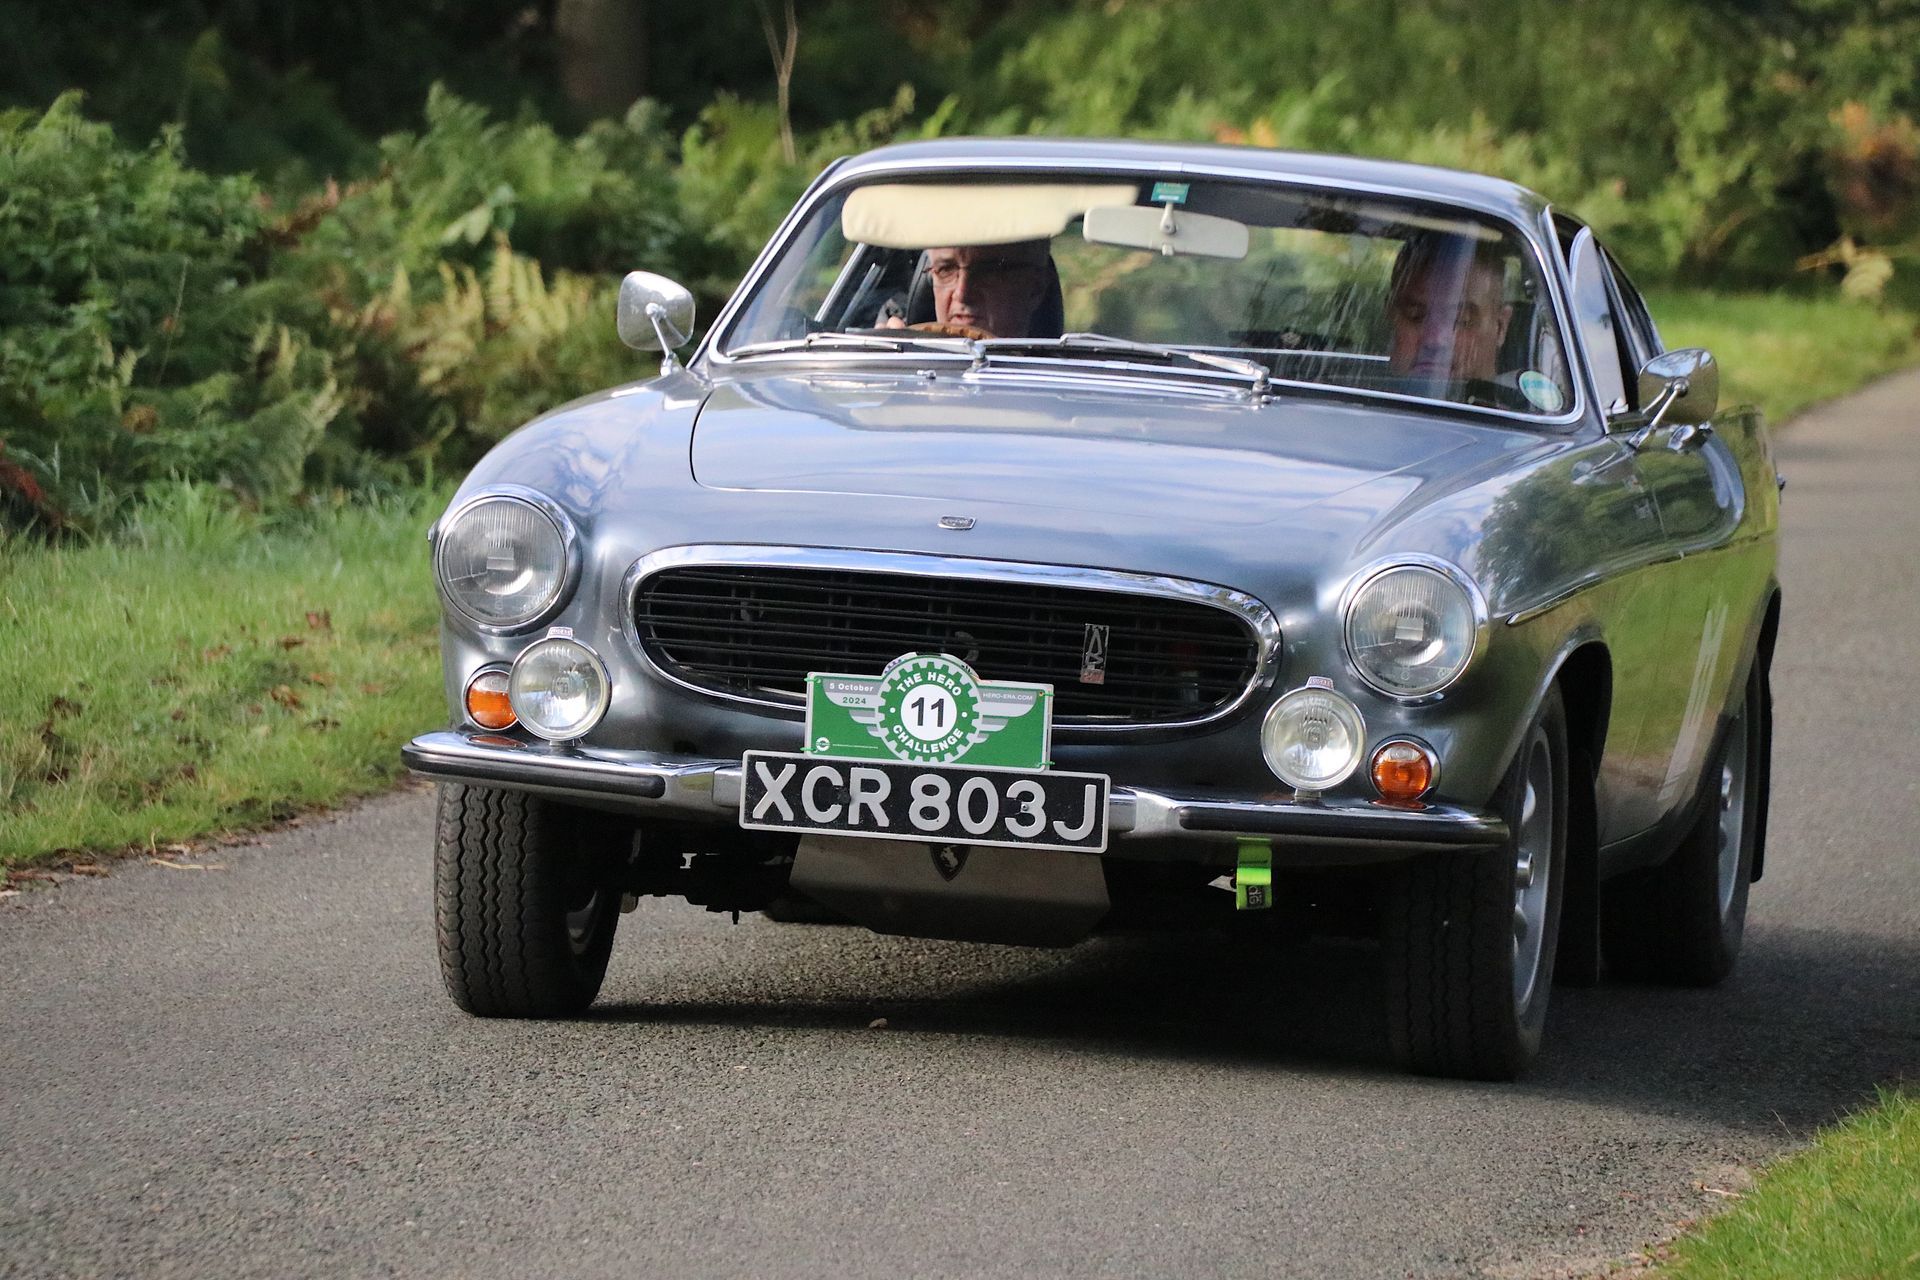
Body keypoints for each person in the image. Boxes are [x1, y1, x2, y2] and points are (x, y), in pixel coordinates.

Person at [1385, 234, 1513, 384]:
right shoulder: (1357, 399)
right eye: (1416, 316)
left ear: (1500, 327)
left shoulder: (1530, 405)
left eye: (1460, 320)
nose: (1435, 340)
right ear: (1390, 315)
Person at [883, 240, 1053, 338]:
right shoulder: (908, 373)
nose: (962, 293)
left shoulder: (1063, 385)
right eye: (946, 270)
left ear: (1034, 288)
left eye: (987, 271)